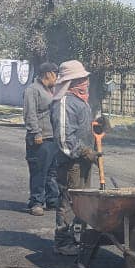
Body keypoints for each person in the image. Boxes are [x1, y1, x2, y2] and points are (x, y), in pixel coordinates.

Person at [50, 60, 99, 256]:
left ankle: (77, 238)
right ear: (72, 81)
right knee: (70, 203)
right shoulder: (63, 102)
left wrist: (96, 126)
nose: (86, 81)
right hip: (71, 163)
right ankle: (62, 242)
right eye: (82, 78)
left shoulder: (80, 101)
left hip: (83, 162)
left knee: (83, 202)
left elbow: (80, 128)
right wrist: (84, 151)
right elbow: (64, 139)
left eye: (86, 78)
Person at [23, 62, 60, 216]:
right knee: (39, 172)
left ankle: (52, 201)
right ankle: (36, 202)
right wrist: (36, 132)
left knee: (52, 172)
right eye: (55, 74)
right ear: (48, 74)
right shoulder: (32, 90)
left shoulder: (52, 90)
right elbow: (30, 113)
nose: (57, 78)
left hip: (52, 138)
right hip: (40, 138)